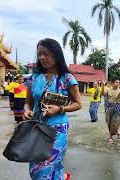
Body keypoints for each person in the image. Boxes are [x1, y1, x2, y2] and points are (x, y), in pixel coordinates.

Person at [23, 38, 82, 180]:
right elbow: (28, 103)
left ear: (56, 54)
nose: (42, 57)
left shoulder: (67, 79)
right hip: (36, 128)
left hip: (58, 130)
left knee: (46, 168)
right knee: (36, 169)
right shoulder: (34, 78)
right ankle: (62, 177)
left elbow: (78, 104)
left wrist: (60, 109)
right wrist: (26, 110)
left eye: (46, 54)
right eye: (40, 54)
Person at [103, 78, 120, 144]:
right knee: (109, 123)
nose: (118, 83)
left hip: (116, 108)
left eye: (119, 82)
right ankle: (118, 132)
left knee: (115, 122)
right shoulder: (108, 89)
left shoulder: (119, 90)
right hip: (108, 107)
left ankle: (110, 137)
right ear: (112, 83)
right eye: (117, 82)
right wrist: (102, 86)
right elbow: (104, 95)